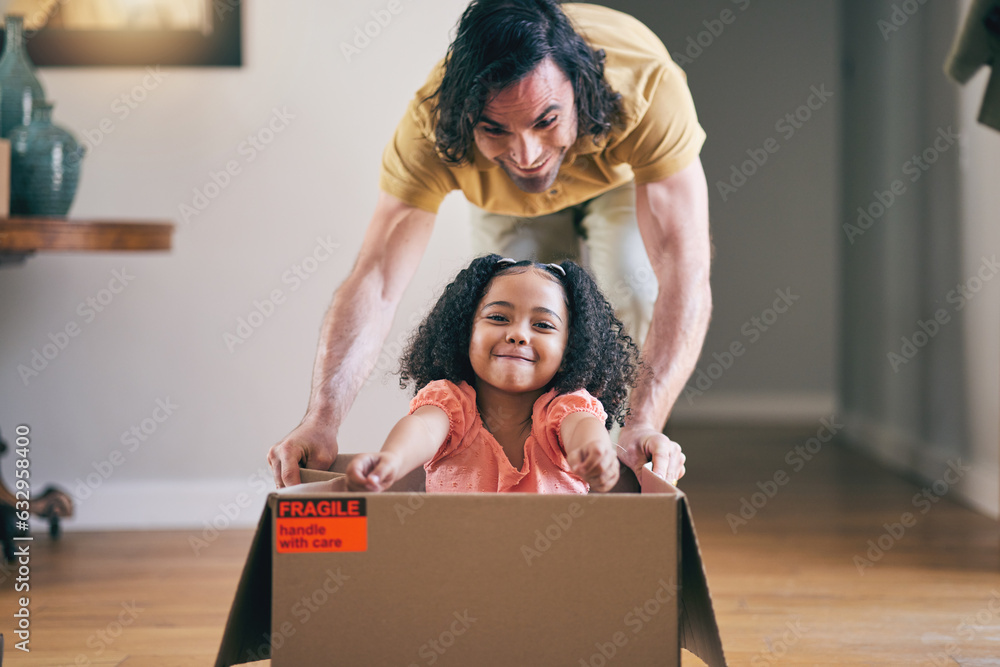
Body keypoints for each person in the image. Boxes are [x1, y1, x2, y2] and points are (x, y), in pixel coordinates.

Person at [268, 0, 711, 488]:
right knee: (513, 302)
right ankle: (504, 483)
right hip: (504, 199)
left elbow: (683, 269)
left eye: (545, 120)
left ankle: (602, 475)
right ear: (464, 120)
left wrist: (643, 421)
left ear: (579, 91)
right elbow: (376, 281)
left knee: (635, 282)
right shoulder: (430, 128)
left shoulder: (646, 89)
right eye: (495, 128)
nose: (527, 155)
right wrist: (322, 420)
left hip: (619, 179)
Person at [346, 255, 640, 493]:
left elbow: (581, 429)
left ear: (569, 351)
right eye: (499, 318)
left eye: (543, 325)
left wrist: (595, 453)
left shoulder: (563, 408)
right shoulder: (450, 403)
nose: (518, 335)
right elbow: (422, 429)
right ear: (465, 335)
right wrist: (391, 461)